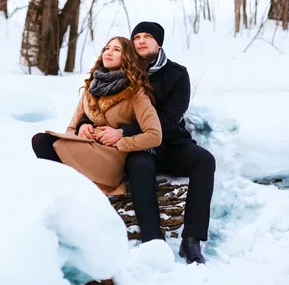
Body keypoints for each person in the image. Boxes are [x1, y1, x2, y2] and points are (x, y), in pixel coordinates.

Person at [75, 22, 216, 265]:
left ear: (159, 43)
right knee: (141, 168)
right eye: (137, 36)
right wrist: (84, 123)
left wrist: (123, 131)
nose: (141, 40)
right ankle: (153, 241)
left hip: (170, 143)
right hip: (135, 146)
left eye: (147, 36)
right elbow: (101, 106)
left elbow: (170, 119)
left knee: (204, 161)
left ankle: (192, 240)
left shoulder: (177, 74)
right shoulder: (121, 70)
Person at [31, 36, 162, 195]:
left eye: (116, 49)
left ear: (127, 57)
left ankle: (71, 192)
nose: (109, 52)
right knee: (41, 141)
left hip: (110, 158)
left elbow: (155, 135)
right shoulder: (91, 88)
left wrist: (120, 139)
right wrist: (81, 128)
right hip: (86, 147)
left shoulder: (135, 92)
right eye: (107, 48)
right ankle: (67, 192)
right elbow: (71, 128)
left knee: (43, 142)